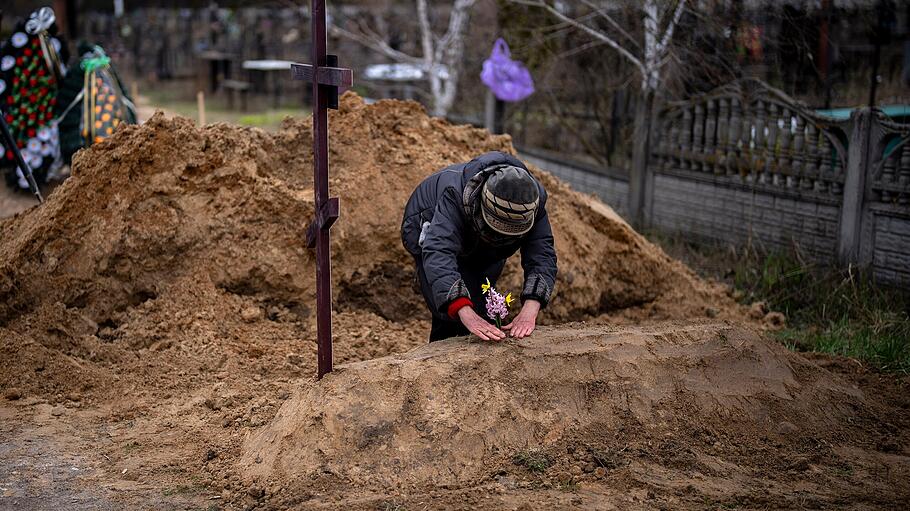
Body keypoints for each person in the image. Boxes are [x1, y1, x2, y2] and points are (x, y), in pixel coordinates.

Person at [401, 151, 557, 342]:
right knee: (453, 315)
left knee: (482, 301)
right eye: (496, 231)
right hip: (427, 226)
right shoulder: (454, 194)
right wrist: (463, 310)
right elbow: (439, 251)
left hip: (485, 247)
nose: (499, 236)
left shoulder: (533, 204)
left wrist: (530, 310)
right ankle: (443, 356)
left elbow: (542, 254)